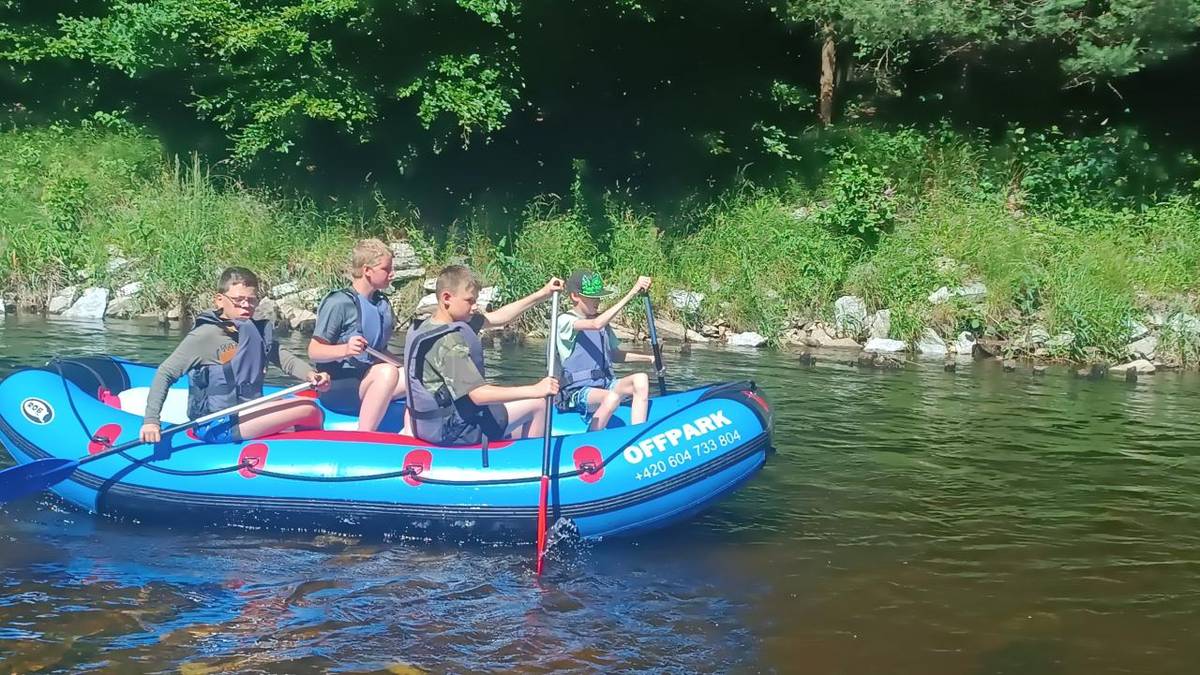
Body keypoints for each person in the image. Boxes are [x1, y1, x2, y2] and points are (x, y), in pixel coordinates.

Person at [139, 267, 330, 445]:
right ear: (220, 300)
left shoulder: (255, 331)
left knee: (306, 405)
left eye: (251, 300)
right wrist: (151, 421)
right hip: (216, 423)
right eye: (238, 300)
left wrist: (311, 375)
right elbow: (165, 373)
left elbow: (284, 359)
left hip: (246, 412)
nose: (246, 306)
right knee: (309, 409)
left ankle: (299, 450)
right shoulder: (205, 336)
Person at [403, 265, 562, 445]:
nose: (475, 306)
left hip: (428, 424)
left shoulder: (425, 326)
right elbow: (477, 395)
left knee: (508, 407)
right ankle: (527, 462)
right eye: (469, 300)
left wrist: (542, 293)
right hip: (454, 430)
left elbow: (499, 317)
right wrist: (535, 389)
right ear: (446, 298)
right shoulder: (449, 343)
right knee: (538, 404)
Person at [307, 238, 406, 432]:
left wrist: (411, 367)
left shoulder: (381, 303)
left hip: (366, 379)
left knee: (416, 376)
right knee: (387, 372)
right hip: (337, 387)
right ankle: (364, 434)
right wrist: (346, 349)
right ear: (367, 270)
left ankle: (411, 433)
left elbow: (380, 352)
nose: (392, 274)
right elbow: (314, 351)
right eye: (386, 269)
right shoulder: (339, 303)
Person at [556, 270, 655, 431]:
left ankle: (638, 432)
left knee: (641, 379)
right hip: (577, 392)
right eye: (592, 297)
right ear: (575, 296)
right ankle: (593, 437)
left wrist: (649, 358)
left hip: (605, 384)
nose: (598, 301)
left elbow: (615, 355)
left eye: (599, 297)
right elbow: (595, 324)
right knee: (611, 397)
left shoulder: (602, 324)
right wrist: (632, 292)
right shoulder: (565, 320)